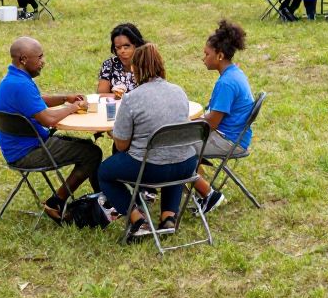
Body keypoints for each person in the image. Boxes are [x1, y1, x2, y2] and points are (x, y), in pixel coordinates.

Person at [0, 36, 102, 222]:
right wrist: (73, 107)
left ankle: (102, 198)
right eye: (40, 57)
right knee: (91, 153)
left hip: (19, 148)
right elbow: (49, 120)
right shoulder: (21, 85)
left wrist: (65, 98)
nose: (43, 62)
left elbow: (38, 99)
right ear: (24, 59)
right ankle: (57, 202)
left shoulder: (13, 79)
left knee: (86, 148)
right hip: (29, 152)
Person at [97, 42, 199, 240]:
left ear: (134, 68)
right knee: (172, 152)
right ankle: (168, 216)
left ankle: (138, 221)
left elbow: (122, 146)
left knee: (104, 172)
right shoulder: (179, 91)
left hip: (151, 168)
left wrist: (115, 134)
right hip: (187, 164)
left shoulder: (131, 99)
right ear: (161, 65)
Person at [192, 20, 256, 215]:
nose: (203, 58)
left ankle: (209, 195)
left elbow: (212, 123)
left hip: (229, 141)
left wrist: (189, 123)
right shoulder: (235, 73)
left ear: (219, 56)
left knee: (176, 148)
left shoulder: (227, 83)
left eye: (206, 54)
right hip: (234, 136)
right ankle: (199, 189)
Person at [97, 23, 146, 96]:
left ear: (136, 45)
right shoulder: (109, 65)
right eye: (118, 48)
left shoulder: (146, 63)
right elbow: (101, 95)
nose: (122, 51)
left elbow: (155, 92)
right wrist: (117, 95)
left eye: (126, 47)